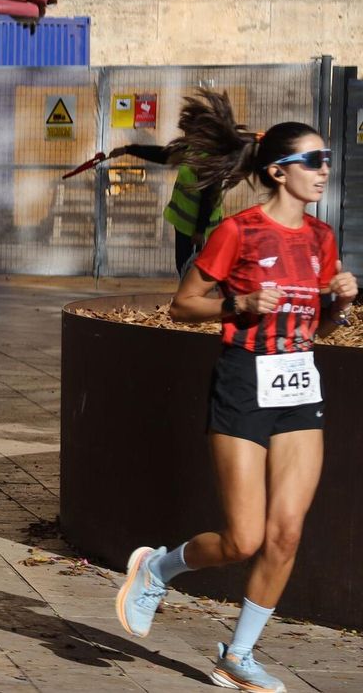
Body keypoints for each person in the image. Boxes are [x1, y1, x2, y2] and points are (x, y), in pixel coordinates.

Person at [115, 91, 355, 693]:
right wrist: (238, 303)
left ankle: (237, 655)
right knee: (244, 538)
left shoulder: (323, 240)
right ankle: (157, 569)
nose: (324, 168)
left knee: (287, 533)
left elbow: (319, 325)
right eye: (313, 159)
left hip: (299, 383)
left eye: (326, 159)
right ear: (278, 171)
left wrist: (340, 305)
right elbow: (181, 306)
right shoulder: (238, 232)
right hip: (244, 382)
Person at [107, 140, 223, 275]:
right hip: (184, 225)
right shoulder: (190, 150)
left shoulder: (209, 158)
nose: (185, 134)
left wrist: (200, 230)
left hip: (203, 230)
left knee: (199, 272)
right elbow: (162, 154)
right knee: (184, 267)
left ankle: (190, 295)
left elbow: (209, 197)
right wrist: (128, 149)